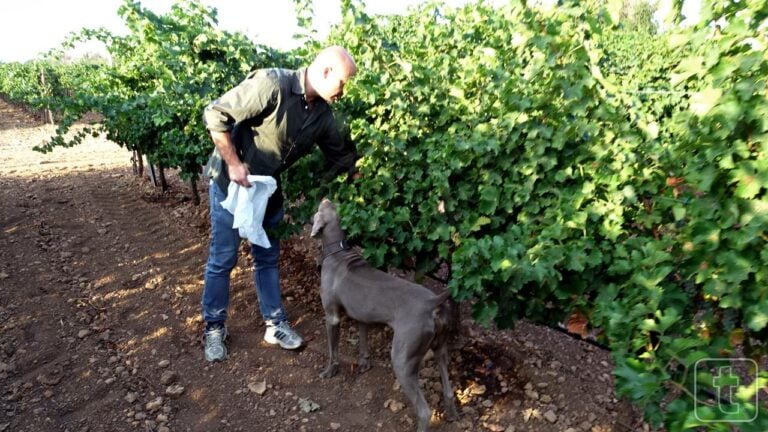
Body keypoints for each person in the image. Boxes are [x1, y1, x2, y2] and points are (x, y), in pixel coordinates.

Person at [200, 45, 358, 362]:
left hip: (267, 188)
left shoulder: (323, 117)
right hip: (230, 184)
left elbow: (343, 158)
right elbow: (215, 113)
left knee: (268, 257)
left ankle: (275, 324)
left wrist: (366, 179)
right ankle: (214, 328)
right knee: (223, 258)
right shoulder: (273, 84)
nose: (344, 92)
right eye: (343, 83)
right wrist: (233, 162)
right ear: (326, 72)